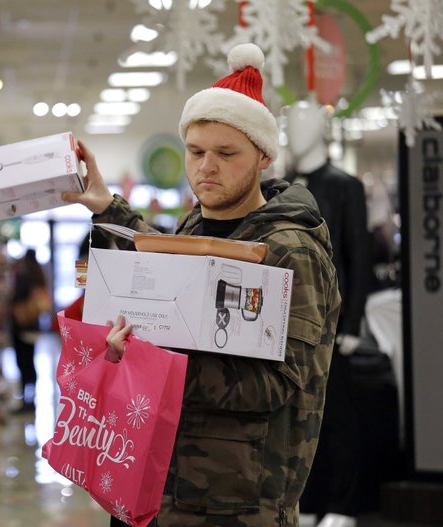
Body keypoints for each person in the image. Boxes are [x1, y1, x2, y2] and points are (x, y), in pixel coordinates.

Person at [63, 43, 341, 527]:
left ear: (262, 158)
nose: (206, 166)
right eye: (195, 151)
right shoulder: (198, 227)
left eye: (226, 153)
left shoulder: (288, 250)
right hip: (156, 482)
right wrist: (108, 207)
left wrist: (149, 365)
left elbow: (274, 386)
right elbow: (167, 267)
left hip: (235, 502)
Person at [284, 99, 372, 527]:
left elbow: (359, 256)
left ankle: (343, 503)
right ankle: (311, 499)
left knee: (337, 415)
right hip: (292, 324)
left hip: (333, 325)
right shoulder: (280, 186)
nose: (297, 132)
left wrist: (352, 323)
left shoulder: (344, 186)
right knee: (299, 415)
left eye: (305, 123)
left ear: (320, 129)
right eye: (292, 124)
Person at [9, 248, 50, 412]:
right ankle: (30, 398)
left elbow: (16, 298)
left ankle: (27, 401)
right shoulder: (38, 275)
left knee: (23, 362)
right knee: (30, 361)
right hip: (33, 325)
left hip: (21, 326)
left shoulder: (23, 276)